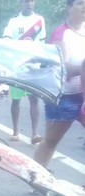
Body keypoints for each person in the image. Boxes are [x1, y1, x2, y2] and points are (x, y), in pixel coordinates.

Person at [33, 0, 85, 168]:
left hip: (83, 95)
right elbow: (63, 68)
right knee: (51, 141)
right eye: (79, 3)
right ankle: (35, 177)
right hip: (64, 97)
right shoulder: (61, 34)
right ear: (69, 8)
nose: (84, 6)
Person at [3, 0, 46, 144]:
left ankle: (35, 133)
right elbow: (6, 41)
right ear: (21, 2)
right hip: (17, 67)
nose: (29, 3)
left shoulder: (39, 20)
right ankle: (15, 131)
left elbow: (42, 44)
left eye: (32, 0)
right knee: (16, 100)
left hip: (33, 67)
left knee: (34, 99)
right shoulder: (13, 21)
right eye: (26, 1)